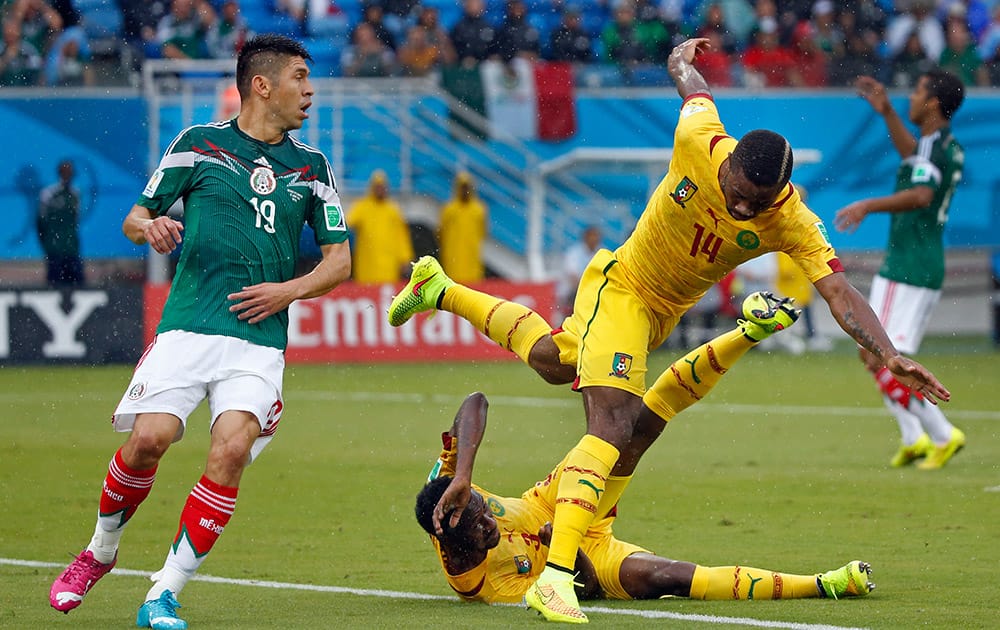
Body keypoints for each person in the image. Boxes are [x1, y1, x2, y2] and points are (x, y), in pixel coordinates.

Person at [388, 37, 950, 623]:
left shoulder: (791, 219)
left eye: (758, 204)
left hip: (657, 315)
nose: (742, 209)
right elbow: (693, 87)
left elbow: (838, 291)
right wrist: (680, 59)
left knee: (553, 361)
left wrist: (888, 352)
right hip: (625, 288)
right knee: (616, 425)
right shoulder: (700, 140)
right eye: (738, 193)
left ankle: (440, 289)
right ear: (727, 164)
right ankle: (554, 579)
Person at [48, 34, 352, 629]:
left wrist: (287, 291)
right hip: (189, 326)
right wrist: (151, 226)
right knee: (150, 440)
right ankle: (99, 552)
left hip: (258, 343)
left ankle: (163, 592)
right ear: (261, 85)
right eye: (298, 77)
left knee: (231, 450)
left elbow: (339, 261)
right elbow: (135, 217)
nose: (309, 89)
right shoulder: (199, 145)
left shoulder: (312, 166)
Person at [417, 390, 874, 610]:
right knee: (666, 577)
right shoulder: (484, 588)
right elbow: (587, 591)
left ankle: (744, 334)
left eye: (480, 506)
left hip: (552, 500)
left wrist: (464, 475)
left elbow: (474, 403)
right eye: (478, 527)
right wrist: (569, 549)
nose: (487, 520)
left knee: (630, 436)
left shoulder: (447, 494)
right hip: (580, 554)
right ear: (454, 546)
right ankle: (823, 583)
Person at [833, 71, 966, 471]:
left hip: (907, 265)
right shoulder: (941, 146)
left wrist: (866, 205)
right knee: (872, 351)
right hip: (921, 262)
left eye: (919, 91)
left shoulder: (933, 149)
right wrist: (888, 111)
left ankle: (941, 435)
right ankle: (914, 437)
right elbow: (914, 157)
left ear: (934, 104)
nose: (911, 96)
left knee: (882, 355)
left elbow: (922, 193)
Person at [345, 169, 413, 283]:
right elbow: (349, 223)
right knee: (367, 294)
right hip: (367, 264)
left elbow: (401, 237)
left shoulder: (393, 210)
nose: (380, 190)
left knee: (386, 294)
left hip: (389, 266)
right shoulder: (362, 207)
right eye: (377, 186)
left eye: (382, 186)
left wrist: (405, 259)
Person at [37, 159, 84, 286]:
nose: (67, 175)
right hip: (54, 248)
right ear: (59, 173)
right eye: (65, 172)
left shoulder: (75, 194)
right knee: (54, 283)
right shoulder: (48, 194)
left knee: (78, 284)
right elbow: (40, 222)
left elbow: (76, 220)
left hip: (71, 248)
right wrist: (48, 243)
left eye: (70, 172)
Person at [437, 171, 488, 284]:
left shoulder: (478, 210)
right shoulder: (449, 209)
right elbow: (441, 232)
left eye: (467, 187)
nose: (465, 191)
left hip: (472, 256)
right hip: (453, 256)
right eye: (463, 187)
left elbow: (482, 232)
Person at [556, 225, 601, 320]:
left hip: (591, 291)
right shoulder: (574, 253)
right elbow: (573, 276)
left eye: (596, 236)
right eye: (592, 236)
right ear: (585, 238)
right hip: (572, 292)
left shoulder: (600, 253)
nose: (594, 239)